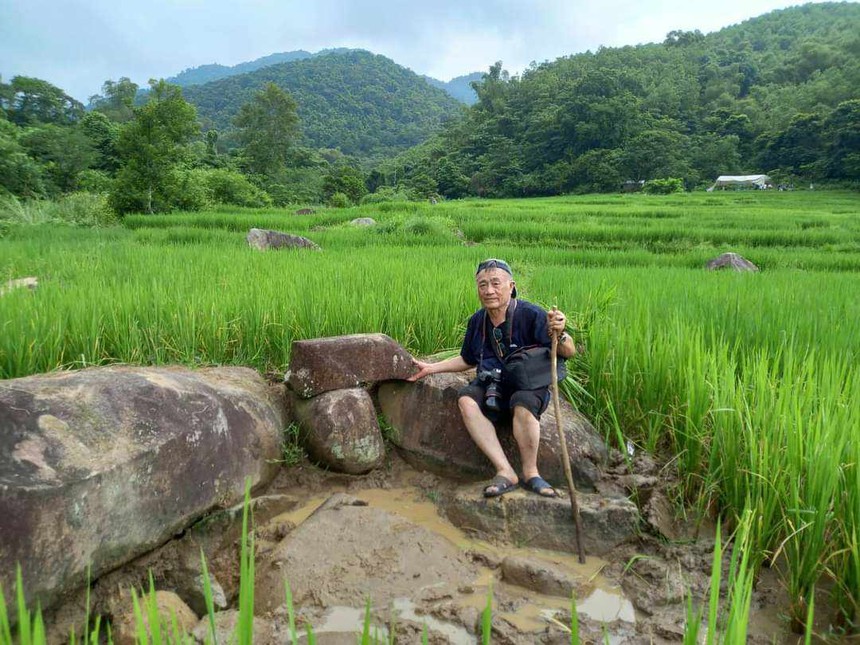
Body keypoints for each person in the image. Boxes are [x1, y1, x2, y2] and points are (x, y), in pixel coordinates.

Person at [409, 259, 576, 498]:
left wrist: (561, 334)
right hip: (493, 384)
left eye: (496, 283)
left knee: (524, 404)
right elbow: (467, 359)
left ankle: (531, 473)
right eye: (483, 284)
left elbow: (568, 352)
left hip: (527, 384)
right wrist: (430, 368)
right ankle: (505, 471)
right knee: (467, 400)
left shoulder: (532, 314)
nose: (489, 290)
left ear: (511, 286)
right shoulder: (478, 321)